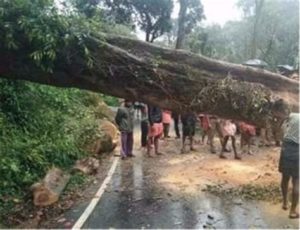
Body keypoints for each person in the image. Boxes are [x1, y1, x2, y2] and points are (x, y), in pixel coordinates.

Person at [272, 100, 299, 218]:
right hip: (298, 151)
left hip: (286, 150)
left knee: (285, 178)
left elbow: (278, 136)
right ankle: (293, 211)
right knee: (297, 182)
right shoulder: (296, 117)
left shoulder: (285, 121)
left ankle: (284, 203)